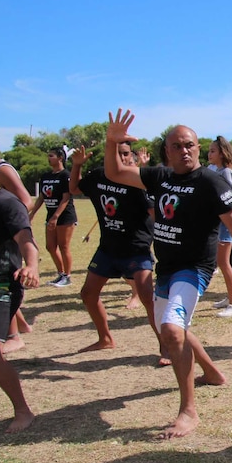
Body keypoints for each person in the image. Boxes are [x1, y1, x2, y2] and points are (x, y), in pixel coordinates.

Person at [105, 109, 232, 439]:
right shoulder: (158, 176)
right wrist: (112, 141)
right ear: (166, 151)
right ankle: (212, 372)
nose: (184, 151)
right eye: (177, 146)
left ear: (198, 149)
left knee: (170, 330)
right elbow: (116, 172)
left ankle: (188, 410)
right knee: (172, 327)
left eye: (190, 145)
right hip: (166, 268)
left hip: (194, 268)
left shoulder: (211, 182)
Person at [69, 143, 165, 362]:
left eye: (125, 154)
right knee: (88, 294)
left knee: (147, 298)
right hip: (108, 248)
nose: (121, 158)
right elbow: (74, 189)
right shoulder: (97, 177)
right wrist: (77, 165)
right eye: (116, 153)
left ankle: (165, 346)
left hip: (136, 249)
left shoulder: (136, 181)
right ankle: (105, 339)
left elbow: (155, 215)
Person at [0, 149, 39, 432]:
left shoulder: (7, 204)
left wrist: (32, 266)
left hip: (1, 286)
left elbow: (26, 239)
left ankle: (23, 411)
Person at [0, 127, 33, 353]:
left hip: (9, 236)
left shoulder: (2, 170)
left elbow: (25, 200)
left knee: (1, 280)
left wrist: (13, 223)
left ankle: (13, 334)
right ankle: (19, 326)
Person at [207, 136, 232, 318]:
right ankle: (230, 297)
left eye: (212, 151)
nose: (209, 154)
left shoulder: (227, 173)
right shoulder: (219, 171)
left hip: (226, 226)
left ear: (222, 153)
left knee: (223, 263)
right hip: (220, 224)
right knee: (222, 263)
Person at [29, 146, 77, 287]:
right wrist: (32, 214)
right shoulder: (46, 176)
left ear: (60, 158)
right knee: (50, 246)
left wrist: (55, 217)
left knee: (63, 246)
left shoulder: (65, 175)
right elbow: (42, 197)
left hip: (65, 217)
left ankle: (67, 276)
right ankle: (61, 273)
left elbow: (66, 198)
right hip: (51, 216)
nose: (48, 158)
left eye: (51, 155)